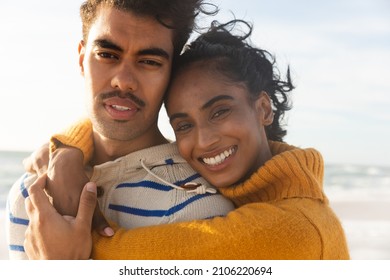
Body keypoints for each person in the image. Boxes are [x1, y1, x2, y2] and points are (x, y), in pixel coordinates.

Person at [21, 19, 349, 259]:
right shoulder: (256, 191)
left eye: (219, 111)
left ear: (263, 108)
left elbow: (120, 256)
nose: (204, 140)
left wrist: (62, 256)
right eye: (183, 125)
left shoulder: (295, 229)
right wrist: (68, 150)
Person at [5, 0, 236, 260]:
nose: (123, 82)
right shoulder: (30, 195)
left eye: (149, 61)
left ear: (171, 75)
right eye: (107, 55)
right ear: (82, 59)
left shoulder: (201, 208)